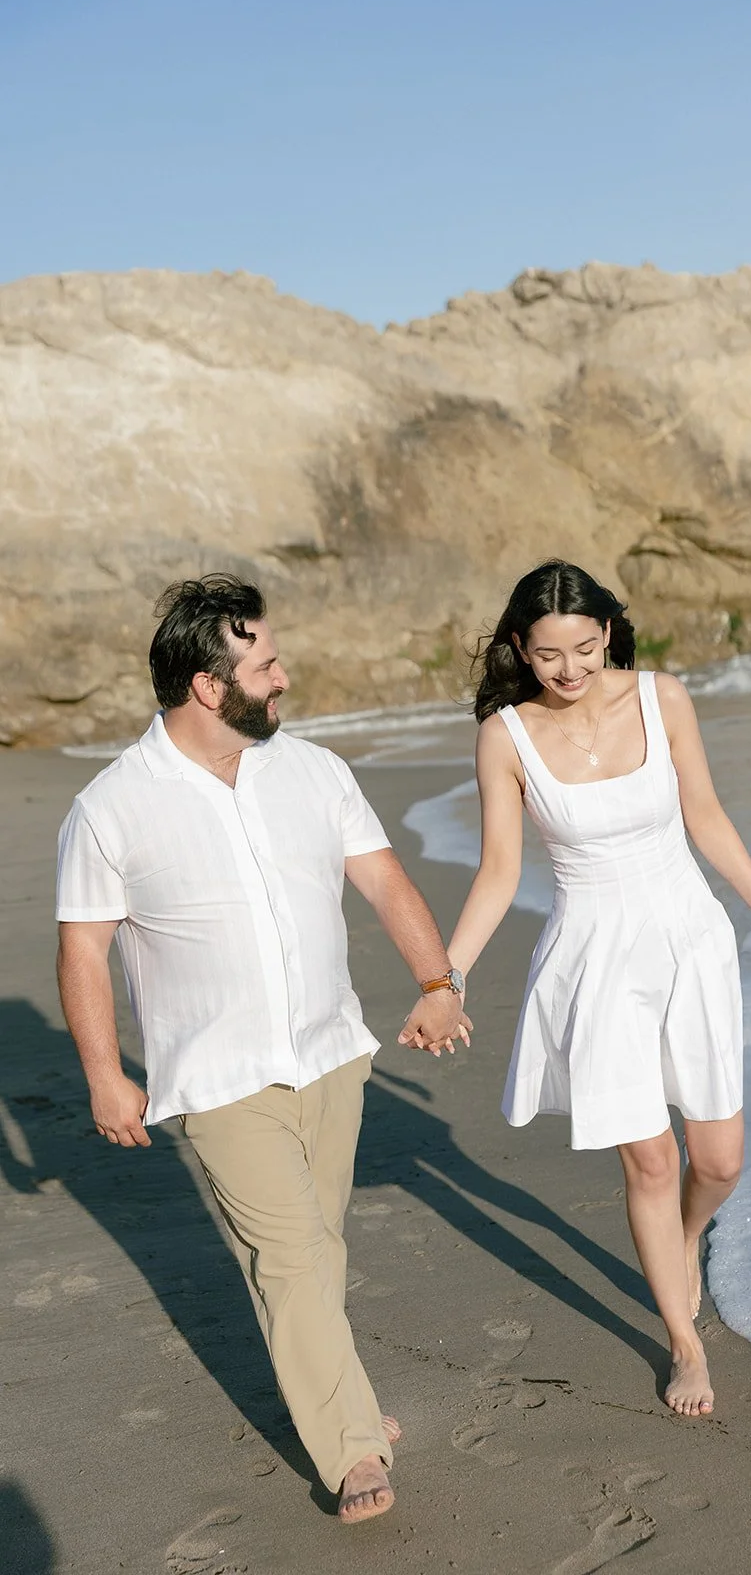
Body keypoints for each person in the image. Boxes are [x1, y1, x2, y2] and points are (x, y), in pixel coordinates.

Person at [55, 574, 469, 1524]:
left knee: (318, 1248)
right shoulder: (111, 806)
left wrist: (438, 985)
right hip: (218, 1079)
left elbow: (382, 877)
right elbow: (83, 947)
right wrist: (104, 1076)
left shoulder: (314, 771)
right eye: (266, 664)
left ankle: (336, 1390)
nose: (284, 677)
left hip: (331, 1054)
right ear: (209, 684)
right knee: (286, 1259)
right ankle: (352, 1446)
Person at [447, 560, 751, 1418]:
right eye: (546, 656)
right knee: (650, 1160)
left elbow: (706, 815)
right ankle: (682, 1341)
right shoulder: (506, 736)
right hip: (592, 957)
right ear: (518, 650)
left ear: (607, 632)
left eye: (582, 647)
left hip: (688, 940)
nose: (568, 670)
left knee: (717, 1161)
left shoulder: (663, 698)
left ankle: (685, 1237)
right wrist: (446, 974)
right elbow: (500, 872)